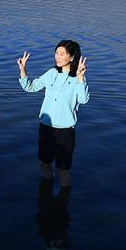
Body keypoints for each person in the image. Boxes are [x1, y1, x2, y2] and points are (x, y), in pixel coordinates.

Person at [17, 40, 89, 186]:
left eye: (62, 54)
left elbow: (83, 99)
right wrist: (23, 70)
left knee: (62, 170)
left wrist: (81, 78)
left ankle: (63, 202)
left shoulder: (78, 78)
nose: (57, 56)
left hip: (65, 131)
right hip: (46, 128)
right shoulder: (51, 73)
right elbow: (30, 87)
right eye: (56, 53)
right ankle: (45, 196)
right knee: (44, 164)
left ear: (72, 57)